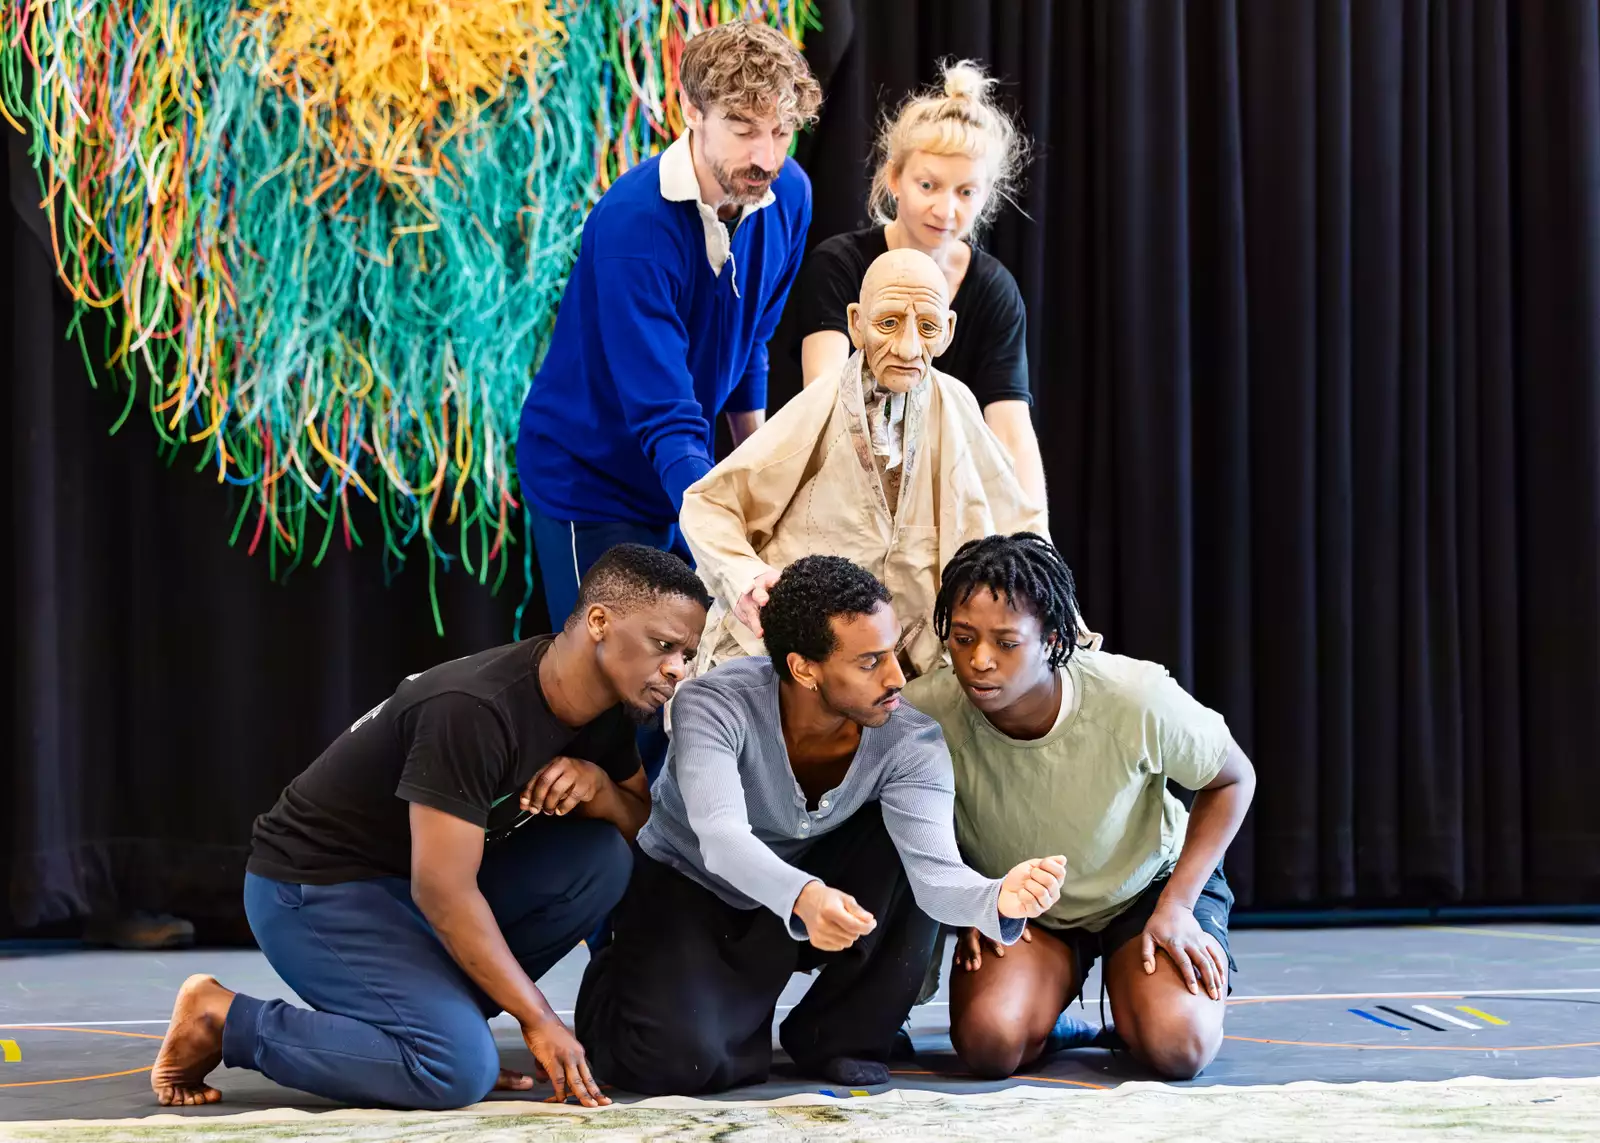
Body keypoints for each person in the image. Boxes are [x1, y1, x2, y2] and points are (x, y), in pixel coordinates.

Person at [149, 545, 712, 1111]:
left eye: (686, 653)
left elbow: (639, 824)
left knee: (599, 859)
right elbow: (442, 891)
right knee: (454, 1072)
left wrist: (598, 787)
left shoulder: (605, 707)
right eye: (663, 646)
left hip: (411, 887)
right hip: (316, 890)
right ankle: (222, 1018)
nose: (676, 669)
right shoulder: (473, 710)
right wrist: (537, 1019)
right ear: (599, 622)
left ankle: (440, 1027)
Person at [575, 555, 1067, 1095]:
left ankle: (837, 1036)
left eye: (893, 650)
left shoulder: (911, 740)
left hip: (804, 885)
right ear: (805, 668)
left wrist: (997, 899)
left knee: (894, 846)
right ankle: (617, 979)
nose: (897, 676)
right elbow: (720, 838)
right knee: (683, 1067)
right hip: (689, 887)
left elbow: (937, 874)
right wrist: (805, 898)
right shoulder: (712, 703)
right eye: (869, 661)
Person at [902, 533, 1257, 1081]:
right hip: (1026, 909)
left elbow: (1233, 779)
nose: (979, 661)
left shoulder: (1132, 696)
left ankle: (1133, 1001)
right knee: (990, 1046)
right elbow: (900, 812)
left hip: (1145, 891)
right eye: (964, 637)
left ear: (1052, 639)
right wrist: (971, 898)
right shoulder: (926, 712)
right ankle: (1058, 1019)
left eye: (1006, 642)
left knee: (1179, 1047)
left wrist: (1179, 904)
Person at [516, 20, 821, 640]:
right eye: (742, 129)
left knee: (687, 683)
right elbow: (666, 415)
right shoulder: (633, 224)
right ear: (691, 110)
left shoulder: (790, 193)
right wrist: (726, 551)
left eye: (781, 132)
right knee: (609, 695)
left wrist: (754, 486)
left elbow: (752, 343)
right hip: (592, 480)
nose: (765, 156)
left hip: (682, 475)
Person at [680, 246, 1085, 684]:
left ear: (947, 331)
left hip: (914, 668)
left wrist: (1053, 607)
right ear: (856, 323)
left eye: (926, 327)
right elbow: (709, 503)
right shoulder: (823, 404)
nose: (909, 347)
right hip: (804, 656)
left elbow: (1015, 520)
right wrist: (746, 575)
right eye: (888, 323)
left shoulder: (956, 406)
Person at [788, 60, 1046, 508]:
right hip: (839, 494)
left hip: (944, 500)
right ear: (894, 179)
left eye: (966, 192)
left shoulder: (994, 290)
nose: (945, 211)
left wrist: (1036, 544)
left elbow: (1011, 430)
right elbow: (823, 401)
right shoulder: (838, 265)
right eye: (929, 185)